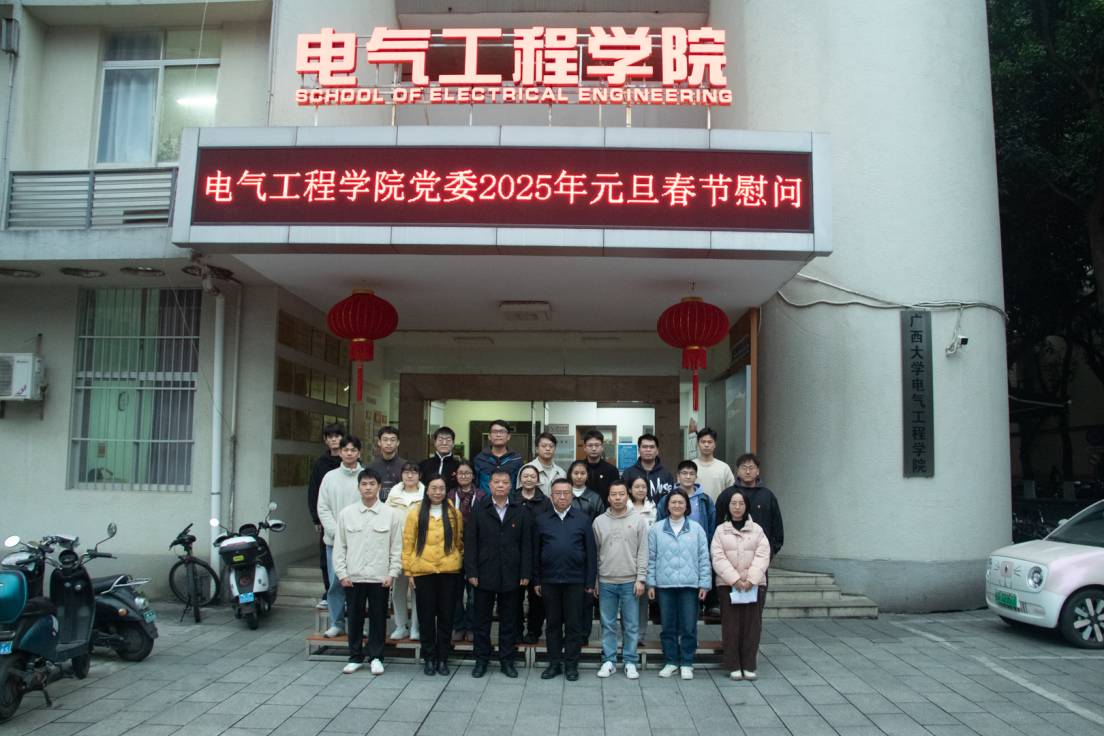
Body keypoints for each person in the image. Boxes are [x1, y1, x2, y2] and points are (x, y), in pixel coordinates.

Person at [332, 468, 404, 675]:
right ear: (358, 487)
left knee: (378, 618)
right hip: (353, 577)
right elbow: (339, 547)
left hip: (379, 577)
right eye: (364, 484)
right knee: (354, 618)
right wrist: (342, 574)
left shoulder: (390, 514)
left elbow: (396, 547)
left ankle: (376, 657)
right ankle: (355, 657)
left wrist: (392, 573)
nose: (368, 488)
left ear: (379, 487)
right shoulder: (346, 514)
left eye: (372, 484)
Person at [465, 469, 533, 678]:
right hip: (484, 573)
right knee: (481, 622)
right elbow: (470, 542)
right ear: (490, 485)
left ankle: (507, 661)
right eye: (496, 482)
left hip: (512, 574)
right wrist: (471, 571)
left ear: (511, 485)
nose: (501, 485)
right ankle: (481, 661)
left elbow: (526, 544)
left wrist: (525, 571)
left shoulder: (520, 510)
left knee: (509, 622)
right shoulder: (479, 508)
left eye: (504, 482)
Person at [534, 478, 596, 681]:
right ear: (551, 495)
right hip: (549, 581)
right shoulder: (542, 520)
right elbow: (536, 553)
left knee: (573, 625)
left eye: (566, 493)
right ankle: (554, 664)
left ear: (572, 495)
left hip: (575, 581)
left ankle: (571, 665)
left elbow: (591, 553)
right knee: (552, 624)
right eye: (558, 493)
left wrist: (590, 582)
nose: (562, 496)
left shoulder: (583, 519)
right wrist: (537, 580)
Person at [402, 476, 464, 676]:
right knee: (426, 618)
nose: (438, 492)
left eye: (441, 488)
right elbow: (408, 545)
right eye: (434, 488)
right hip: (423, 572)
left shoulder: (454, 514)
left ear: (446, 491)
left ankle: (443, 659)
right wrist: (410, 572)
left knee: (446, 618)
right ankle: (429, 659)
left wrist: (456, 560)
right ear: (426, 490)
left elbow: (458, 542)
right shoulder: (415, 514)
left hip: (449, 572)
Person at [646, 488, 711, 680]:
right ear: (667, 506)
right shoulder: (657, 529)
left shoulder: (696, 529)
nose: (677, 505)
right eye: (673, 502)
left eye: (681, 502)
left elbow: (704, 558)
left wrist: (704, 584)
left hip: (689, 586)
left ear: (687, 506)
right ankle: (671, 662)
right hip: (665, 586)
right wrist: (650, 584)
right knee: (668, 626)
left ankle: (687, 663)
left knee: (689, 626)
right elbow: (651, 558)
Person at [592, 480, 648, 680]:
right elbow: (595, 553)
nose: (617, 498)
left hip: (630, 581)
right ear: (608, 497)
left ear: (628, 496)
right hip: (606, 581)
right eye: (614, 494)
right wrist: (596, 580)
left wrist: (641, 579)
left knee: (631, 625)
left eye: (621, 494)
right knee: (607, 624)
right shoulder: (599, 521)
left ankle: (630, 661)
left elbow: (643, 551)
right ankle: (609, 661)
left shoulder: (638, 520)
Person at [712, 489, 770, 681]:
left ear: (747, 506)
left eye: (741, 503)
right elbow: (717, 557)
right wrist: (735, 580)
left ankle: (749, 665)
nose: (737, 507)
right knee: (731, 627)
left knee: (752, 627)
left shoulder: (757, 530)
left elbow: (763, 555)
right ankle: (734, 666)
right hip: (728, 586)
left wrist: (751, 580)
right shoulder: (721, 530)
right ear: (728, 506)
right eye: (733, 503)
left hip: (753, 586)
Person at [716, 452, 784, 616]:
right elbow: (717, 527)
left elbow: (777, 531)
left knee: (755, 611)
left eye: (751, 468)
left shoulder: (767, 496)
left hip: (758, 562)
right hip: (731, 563)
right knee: (731, 613)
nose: (747, 471)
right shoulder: (727, 495)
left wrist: (769, 554)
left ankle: (752, 634)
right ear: (737, 471)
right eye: (744, 468)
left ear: (758, 471)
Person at [316, 435, 364, 638]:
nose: (349, 453)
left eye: (353, 450)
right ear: (340, 452)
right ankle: (337, 623)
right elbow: (323, 508)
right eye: (346, 450)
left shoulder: (366, 477)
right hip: (334, 542)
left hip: (361, 541)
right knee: (336, 583)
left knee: (359, 585)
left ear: (359, 453)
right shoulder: (330, 477)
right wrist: (337, 533)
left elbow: (371, 506)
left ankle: (356, 626)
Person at [307, 422, 345, 610]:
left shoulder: (350, 462)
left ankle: (346, 595)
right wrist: (316, 518)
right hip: (326, 519)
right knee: (326, 558)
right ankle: (328, 592)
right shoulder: (320, 464)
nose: (334, 440)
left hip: (347, 518)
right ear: (326, 441)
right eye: (330, 437)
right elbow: (314, 491)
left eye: (337, 436)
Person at [446, 459, 485, 643]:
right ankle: (457, 626)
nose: (464, 476)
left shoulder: (482, 495)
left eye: (467, 473)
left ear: (473, 476)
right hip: (453, 547)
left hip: (475, 548)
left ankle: (471, 627)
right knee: (454, 593)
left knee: (473, 593)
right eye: (460, 473)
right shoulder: (449, 495)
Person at [513, 464, 552, 644]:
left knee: (537, 597)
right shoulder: (512, 499)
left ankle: (534, 631)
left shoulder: (545, 501)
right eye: (525, 476)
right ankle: (516, 630)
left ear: (538, 480)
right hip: (516, 554)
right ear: (520, 479)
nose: (529, 479)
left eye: (532, 476)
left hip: (539, 554)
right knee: (515, 596)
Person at [386, 462, 425, 640]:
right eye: (406, 472)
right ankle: (401, 626)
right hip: (397, 549)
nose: (410, 476)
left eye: (414, 472)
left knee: (417, 590)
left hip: (419, 550)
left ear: (419, 475)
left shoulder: (426, 495)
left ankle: (416, 627)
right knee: (398, 590)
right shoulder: (393, 496)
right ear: (401, 475)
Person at [566, 459, 604, 643]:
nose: (579, 476)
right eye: (576, 473)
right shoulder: (564, 494)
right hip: (568, 550)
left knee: (586, 595)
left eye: (582, 473)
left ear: (587, 475)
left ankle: (584, 634)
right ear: (570, 475)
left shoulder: (595, 497)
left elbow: (600, 522)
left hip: (589, 548)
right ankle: (568, 632)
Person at [628, 476, 658, 640]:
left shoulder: (654, 508)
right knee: (627, 601)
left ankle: (640, 636)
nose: (640, 490)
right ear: (630, 489)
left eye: (644, 487)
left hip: (647, 559)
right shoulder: (624, 507)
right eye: (637, 486)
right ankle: (628, 635)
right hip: (626, 558)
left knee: (642, 601)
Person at [658, 461, 716, 545]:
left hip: (698, 545)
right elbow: (660, 523)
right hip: (672, 545)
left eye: (692, 474)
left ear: (696, 477)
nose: (688, 477)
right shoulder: (667, 499)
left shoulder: (705, 500)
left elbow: (711, 528)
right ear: (678, 476)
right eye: (684, 473)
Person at [621, 434, 675, 507]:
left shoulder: (666, 474)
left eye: (652, 447)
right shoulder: (628, 473)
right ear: (639, 450)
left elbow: (670, 499)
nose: (648, 450)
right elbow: (624, 497)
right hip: (634, 513)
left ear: (657, 451)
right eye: (644, 447)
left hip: (661, 514)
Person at [473, 419, 524, 492]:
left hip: (510, 499)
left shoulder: (517, 460)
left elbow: (521, 487)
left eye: (502, 431)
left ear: (508, 436)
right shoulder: (479, 459)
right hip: (484, 499)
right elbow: (475, 486)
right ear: (489, 436)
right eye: (494, 431)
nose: (498, 434)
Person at [693, 428, 735, 502]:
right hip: (694, 508)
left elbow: (732, 492)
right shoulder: (691, 466)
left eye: (710, 442)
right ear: (698, 444)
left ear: (715, 444)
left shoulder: (724, 467)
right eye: (703, 442)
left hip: (718, 508)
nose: (706, 445)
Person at [581, 430, 620, 504]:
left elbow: (614, 494)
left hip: (605, 509)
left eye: (597, 445)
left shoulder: (611, 470)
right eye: (590, 445)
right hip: (580, 509)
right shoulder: (577, 469)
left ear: (602, 447)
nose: (593, 448)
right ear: (584, 447)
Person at [367, 426, 406, 500]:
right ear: (379, 442)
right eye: (385, 440)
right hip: (376, 505)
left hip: (399, 505)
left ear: (397, 442)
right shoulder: (372, 466)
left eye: (392, 440)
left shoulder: (405, 466)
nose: (389, 443)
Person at [420, 426, 463, 490]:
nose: (444, 443)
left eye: (448, 440)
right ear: (435, 443)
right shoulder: (423, 465)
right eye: (440, 440)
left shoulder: (459, 466)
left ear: (453, 443)